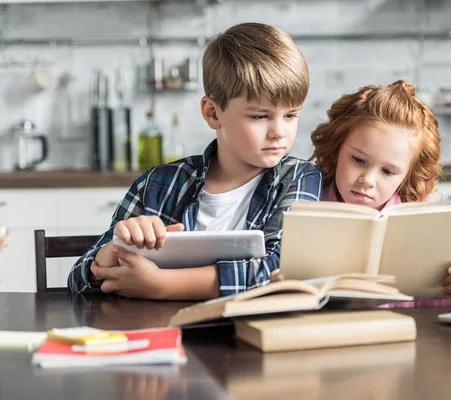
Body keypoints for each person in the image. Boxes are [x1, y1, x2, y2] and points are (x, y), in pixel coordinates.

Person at [67, 22, 321, 300]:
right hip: (160, 335)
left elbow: (283, 271)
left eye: (291, 115)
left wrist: (162, 285)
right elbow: (78, 281)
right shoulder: (157, 185)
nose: (279, 132)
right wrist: (116, 250)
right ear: (213, 113)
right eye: (260, 116)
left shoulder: (299, 178)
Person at [309, 80, 451, 301]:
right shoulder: (305, 201)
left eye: (387, 171)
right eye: (358, 159)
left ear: (407, 176)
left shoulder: (417, 221)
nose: (367, 180)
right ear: (337, 147)